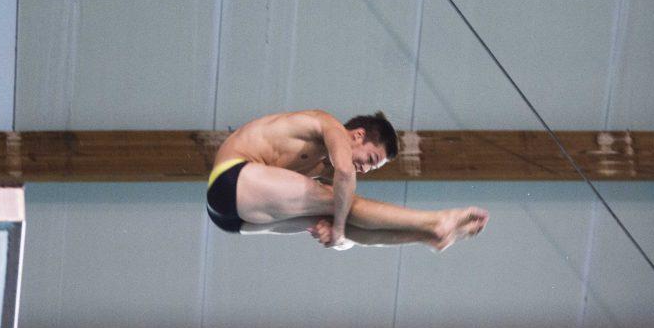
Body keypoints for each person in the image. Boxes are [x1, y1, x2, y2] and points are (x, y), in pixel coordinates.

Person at [207, 110, 488, 251]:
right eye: (369, 160)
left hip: (232, 219)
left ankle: (425, 234)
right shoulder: (329, 126)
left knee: (340, 216)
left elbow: (350, 221)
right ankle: (435, 221)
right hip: (232, 178)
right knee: (341, 202)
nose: (364, 170)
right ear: (357, 135)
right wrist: (339, 228)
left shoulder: (320, 165)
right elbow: (345, 173)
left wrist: (338, 231)